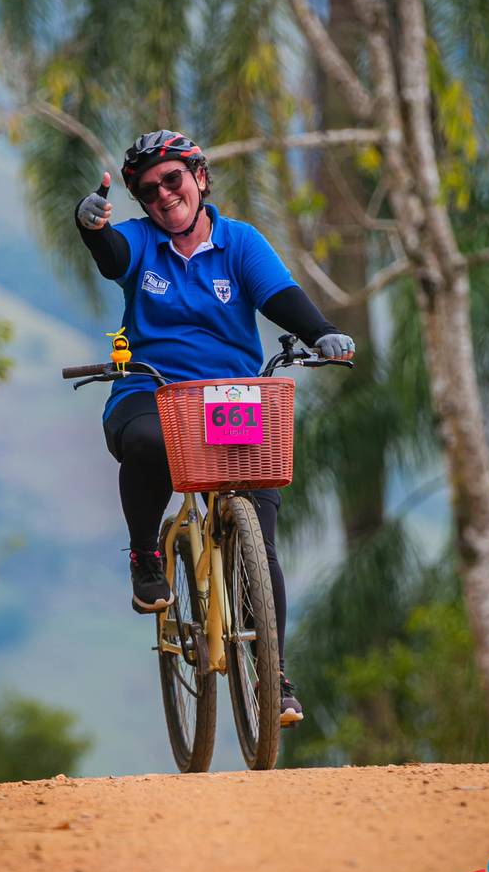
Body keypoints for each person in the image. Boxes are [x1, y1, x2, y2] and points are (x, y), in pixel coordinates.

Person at [75, 130, 354, 725]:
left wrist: (321, 333)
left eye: (173, 180)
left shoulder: (240, 242)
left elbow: (281, 296)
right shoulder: (139, 243)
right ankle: (147, 554)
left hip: (231, 400)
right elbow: (111, 257)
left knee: (264, 539)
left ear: (199, 177)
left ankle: (272, 673)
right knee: (146, 443)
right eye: (148, 191)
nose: (163, 196)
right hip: (151, 391)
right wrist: (91, 225)